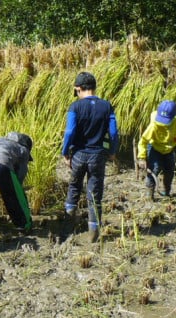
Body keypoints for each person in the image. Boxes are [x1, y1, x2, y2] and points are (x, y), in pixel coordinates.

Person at [61, 72, 119, 243]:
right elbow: (114, 132)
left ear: (78, 89)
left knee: (74, 188)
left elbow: (70, 131)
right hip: (98, 156)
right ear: (94, 88)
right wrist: (112, 151)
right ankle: (93, 232)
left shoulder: (75, 107)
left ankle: (68, 223)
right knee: (94, 193)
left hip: (78, 155)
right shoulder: (106, 106)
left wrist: (65, 152)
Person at [137, 100, 176, 200]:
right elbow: (143, 141)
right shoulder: (154, 124)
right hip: (155, 149)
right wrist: (141, 157)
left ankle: (166, 192)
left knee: (169, 172)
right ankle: (149, 195)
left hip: (169, 150)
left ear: (173, 117)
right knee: (154, 170)